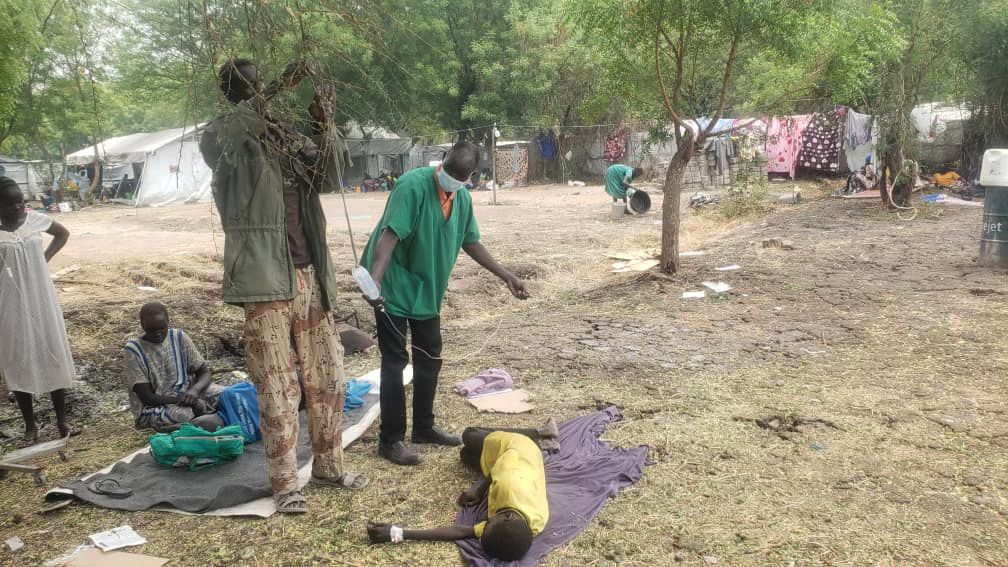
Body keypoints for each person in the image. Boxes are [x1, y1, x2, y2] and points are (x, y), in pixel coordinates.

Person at [199, 58, 367, 514]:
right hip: (264, 283)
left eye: (264, 87)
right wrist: (274, 90)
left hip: (311, 275)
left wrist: (323, 122)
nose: (261, 96)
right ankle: (285, 484)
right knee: (276, 388)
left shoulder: (287, 140)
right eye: (252, 88)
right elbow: (220, 141)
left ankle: (330, 466)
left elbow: (331, 177)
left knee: (328, 376)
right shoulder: (227, 140)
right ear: (236, 95)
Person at [361, 141, 530, 466]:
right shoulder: (412, 186)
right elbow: (390, 234)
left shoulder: (462, 198)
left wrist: (506, 275)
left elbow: (471, 242)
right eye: (448, 171)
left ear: (472, 176)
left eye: (459, 175)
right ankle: (391, 439)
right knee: (395, 362)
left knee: (429, 358)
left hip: (426, 290)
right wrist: (375, 280)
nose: (451, 178)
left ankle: (424, 427)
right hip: (392, 286)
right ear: (442, 161)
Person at [366, 420, 559, 561]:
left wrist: (398, 532)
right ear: (508, 517)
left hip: (522, 466)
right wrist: (477, 489)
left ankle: (532, 439)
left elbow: (460, 532)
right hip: (517, 448)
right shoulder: (510, 482)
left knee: (465, 455)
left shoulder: (521, 526)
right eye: (488, 522)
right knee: (469, 434)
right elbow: (508, 458)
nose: (485, 521)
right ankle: (538, 433)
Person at [0, 176, 78, 447]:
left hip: (42, 298)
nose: (19, 207)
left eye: (21, 201)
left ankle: (61, 420)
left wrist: (42, 261)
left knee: (52, 351)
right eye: (10, 204)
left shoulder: (33, 219)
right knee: (17, 358)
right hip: (9, 302)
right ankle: (30, 425)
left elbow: (62, 233)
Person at [123, 302, 225, 433]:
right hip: (157, 405)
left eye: (162, 328)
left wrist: (194, 391)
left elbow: (204, 373)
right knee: (183, 415)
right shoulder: (134, 350)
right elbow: (147, 398)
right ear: (143, 326)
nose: (158, 333)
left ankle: (199, 423)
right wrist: (190, 402)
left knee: (226, 395)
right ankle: (200, 423)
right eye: (152, 330)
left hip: (188, 392)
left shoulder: (178, 337)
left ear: (168, 322)